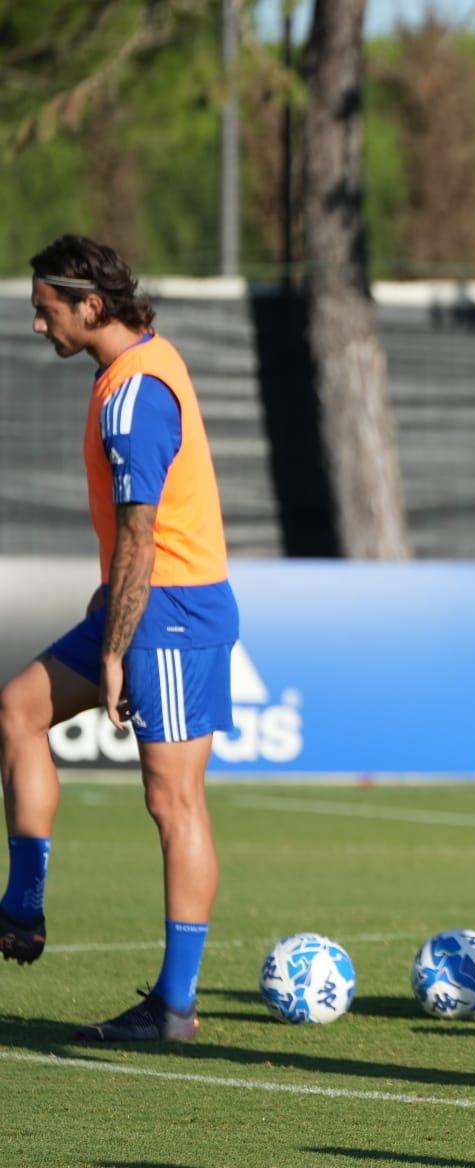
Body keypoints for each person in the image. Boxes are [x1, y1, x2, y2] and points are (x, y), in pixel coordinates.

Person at [1, 235, 239, 1041]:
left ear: (89, 305)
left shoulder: (136, 394)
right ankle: (22, 907)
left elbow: (142, 537)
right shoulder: (132, 365)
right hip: (133, 601)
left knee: (172, 803)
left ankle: (173, 1006)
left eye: (45, 310)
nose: (38, 325)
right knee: (16, 712)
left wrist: (113, 652)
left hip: (168, 610)